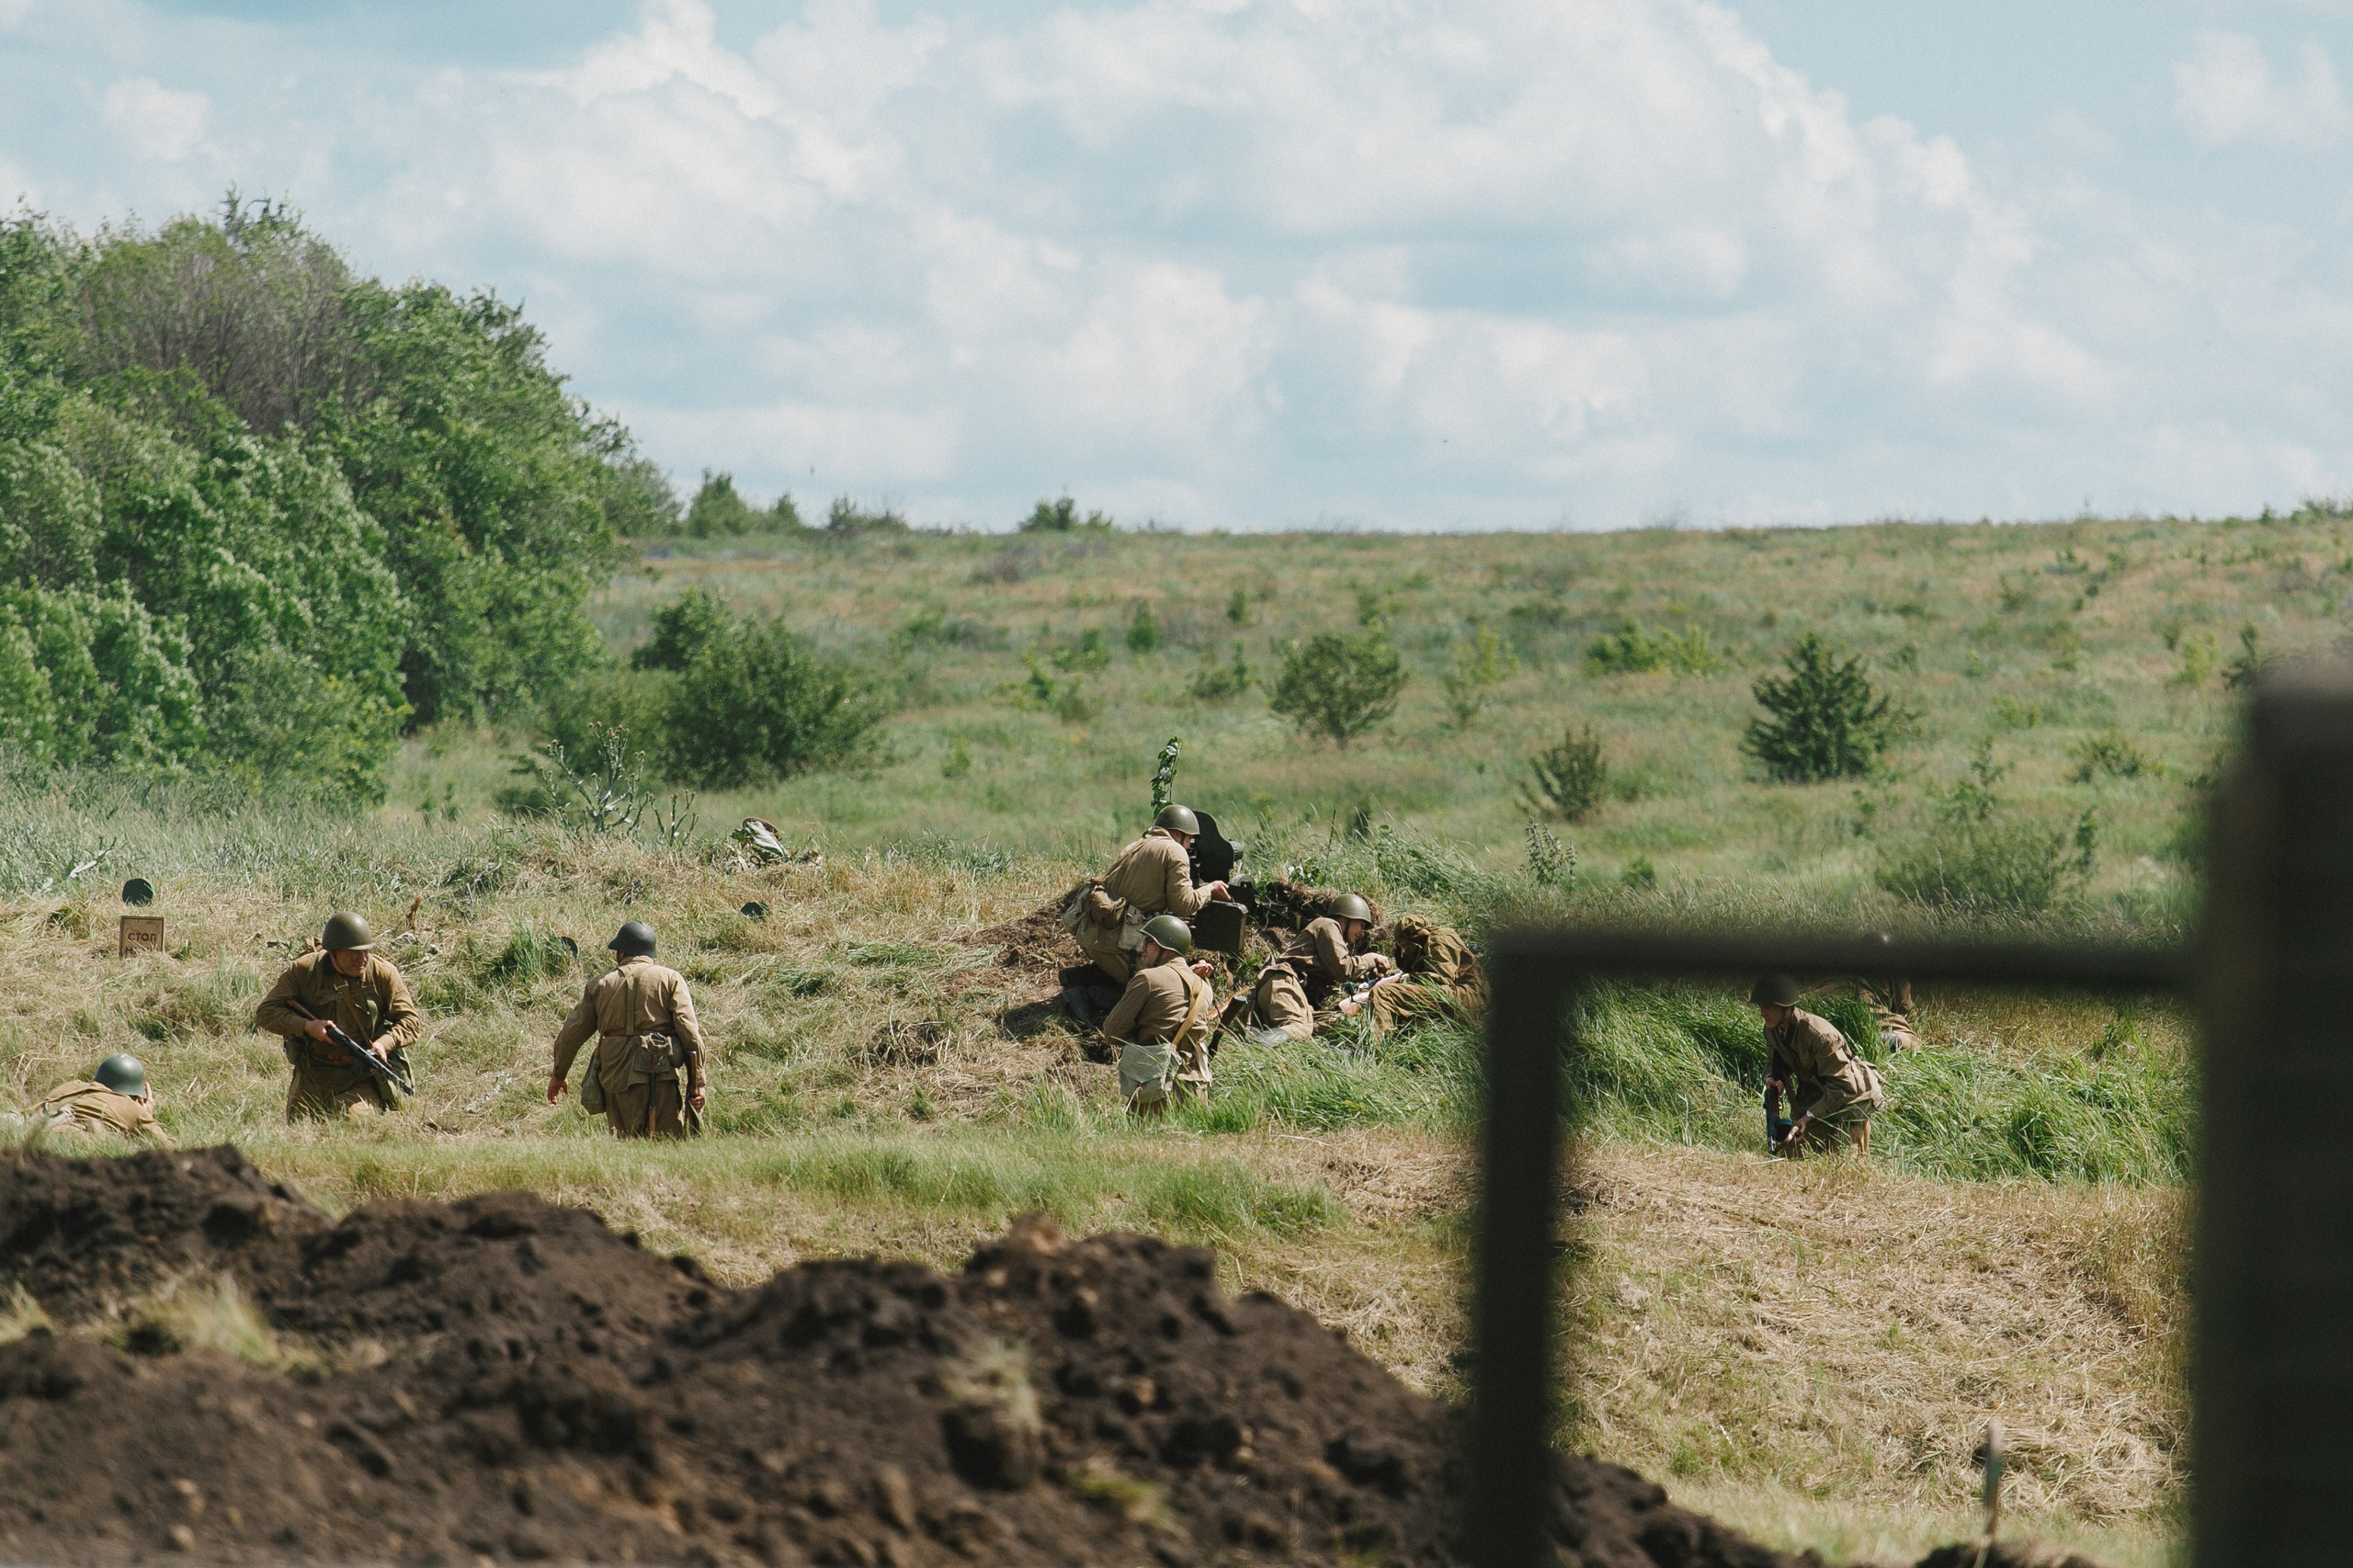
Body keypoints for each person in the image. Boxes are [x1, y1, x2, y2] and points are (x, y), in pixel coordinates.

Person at [1061, 804, 1236, 1020]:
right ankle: (1086, 997)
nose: (1190, 845)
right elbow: (1184, 904)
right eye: (1189, 839)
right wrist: (1210, 890)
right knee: (1158, 994)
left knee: (1132, 973)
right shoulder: (1175, 851)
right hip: (1116, 943)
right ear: (1179, 834)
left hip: (1093, 937)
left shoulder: (1136, 845)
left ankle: (1080, 977)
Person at [547, 921, 708, 1139]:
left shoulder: (600, 984)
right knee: (668, 1142)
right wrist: (697, 1083)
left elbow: (572, 1034)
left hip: (616, 1077)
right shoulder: (671, 979)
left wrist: (559, 1074)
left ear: (621, 952)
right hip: (660, 1073)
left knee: (625, 1143)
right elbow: (689, 1033)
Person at [255, 912, 422, 1120]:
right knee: (300, 1135)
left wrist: (383, 1044)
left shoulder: (383, 973)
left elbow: (411, 1022)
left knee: (352, 1121)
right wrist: (307, 1026)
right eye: (353, 953)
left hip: (360, 1077)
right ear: (333, 952)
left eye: (365, 952)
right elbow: (265, 1012)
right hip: (313, 1073)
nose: (362, 959)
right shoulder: (305, 971)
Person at [1752, 973, 1886, 1158]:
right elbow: (1771, 1062)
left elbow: (1844, 1086)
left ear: (1785, 1007)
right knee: (1791, 1154)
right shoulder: (1772, 1030)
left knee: (1840, 1161)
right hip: (1819, 1094)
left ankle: (1859, 1132)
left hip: (1851, 1098)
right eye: (1760, 1007)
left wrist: (1809, 1115)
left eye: (1768, 1007)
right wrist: (1771, 1079)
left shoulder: (1819, 1036)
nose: (1762, 1013)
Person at [1099, 915, 1216, 1117]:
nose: (1142, 949)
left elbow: (1112, 1032)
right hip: (1196, 1088)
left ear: (1167, 948)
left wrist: (1138, 1039)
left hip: (1156, 1087)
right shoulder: (1204, 986)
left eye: (1149, 942)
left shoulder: (1148, 978)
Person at [1246, 892, 1394, 1043]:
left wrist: (1369, 974)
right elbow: (1344, 969)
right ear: (1346, 918)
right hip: (1282, 982)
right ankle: (1254, 1045)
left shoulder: (1334, 941)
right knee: (1299, 1028)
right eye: (1361, 926)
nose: (1362, 933)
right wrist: (1371, 958)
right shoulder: (1327, 925)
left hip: (1293, 991)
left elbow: (1340, 971)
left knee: (1340, 1023)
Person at [1362, 915, 1486, 1036]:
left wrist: (1402, 982)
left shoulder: (1440, 937)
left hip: (1466, 996)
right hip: (1455, 997)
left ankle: (1376, 1052)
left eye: (1403, 944)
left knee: (1383, 993)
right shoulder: (1425, 945)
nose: (1402, 949)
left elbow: (1439, 978)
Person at [27, 1054, 171, 1145]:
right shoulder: (133, 1108)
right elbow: (170, 1151)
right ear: (138, 1096)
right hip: (69, 1140)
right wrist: (146, 1115)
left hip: (27, 1127)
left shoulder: (73, 1086)